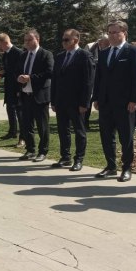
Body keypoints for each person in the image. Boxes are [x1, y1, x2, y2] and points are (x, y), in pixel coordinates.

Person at [92, 20, 136, 182]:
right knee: (106, 136)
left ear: (124, 33)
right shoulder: (104, 52)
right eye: (110, 32)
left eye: (116, 32)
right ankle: (111, 166)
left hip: (125, 103)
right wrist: (97, 98)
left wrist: (134, 100)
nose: (112, 36)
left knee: (125, 137)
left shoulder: (132, 51)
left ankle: (127, 168)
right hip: (106, 103)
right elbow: (99, 79)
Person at [50, 29, 95, 171]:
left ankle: (79, 159)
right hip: (61, 101)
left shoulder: (85, 56)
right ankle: (65, 157)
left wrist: (84, 103)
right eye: (63, 39)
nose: (63, 42)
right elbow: (55, 80)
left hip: (77, 102)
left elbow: (88, 82)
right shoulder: (60, 57)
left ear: (75, 40)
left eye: (66, 40)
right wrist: (54, 100)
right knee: (63, 130)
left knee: (79, 131)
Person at [17, 29, 54, 163]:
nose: (26, 43)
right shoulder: (23, 55)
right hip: (26, 95)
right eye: (25, 40)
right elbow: (18, 71)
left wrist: (31, 78)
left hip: (40, 95)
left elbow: (49, 73)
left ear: (37, 39)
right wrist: (19, 78)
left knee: (42, 125)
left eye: (29, 40)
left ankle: (43, 151)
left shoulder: (46, 54)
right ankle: (30, 149)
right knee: (27, 125)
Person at [0, 33, 24, 146]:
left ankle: (22, 137)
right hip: (8, 87)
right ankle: (12, 131)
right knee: (10, 109)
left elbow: (21, 71)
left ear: (5, 42)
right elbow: (8, 70)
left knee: (20, 113)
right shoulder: (5, 55)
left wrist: (19, 89)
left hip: (17, 87)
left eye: (0, 45)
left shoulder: (18, 53)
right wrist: (2, 73)